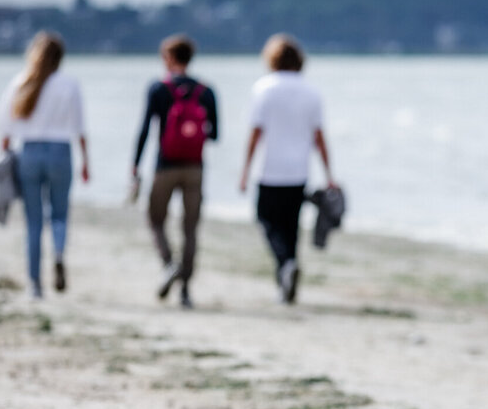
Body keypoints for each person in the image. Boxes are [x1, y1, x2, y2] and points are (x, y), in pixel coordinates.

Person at [238, 34, 335, 304]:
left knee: (266, 221)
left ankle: (285, 266)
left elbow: (255, 133)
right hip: (298, 172)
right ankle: (287, 274)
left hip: (269, 170)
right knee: (291, 228)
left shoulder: (264, 88)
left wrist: (245, 170)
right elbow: (319, 138)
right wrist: (329, 175)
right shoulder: (311, 92)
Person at [131, 34, 219, 309]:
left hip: (165, 166)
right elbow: (215, 134)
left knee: (156, 219)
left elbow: (145, 129)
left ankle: (169, 264)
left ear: (168, 58)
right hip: (195, 167)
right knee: (190, 229)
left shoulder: (158, 88)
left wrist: (134, 165)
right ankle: (185, 289)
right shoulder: (206, 91)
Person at [0, 32, 89, 298]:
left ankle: (35, 284)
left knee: (34, 221)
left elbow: (5, 130)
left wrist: (4, 159)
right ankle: (59, 254)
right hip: (61, 151)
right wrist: (86, 162)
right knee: (60, 214)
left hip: (29, 152)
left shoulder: (21, 81)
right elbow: (80, 128)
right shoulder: (70, 84)